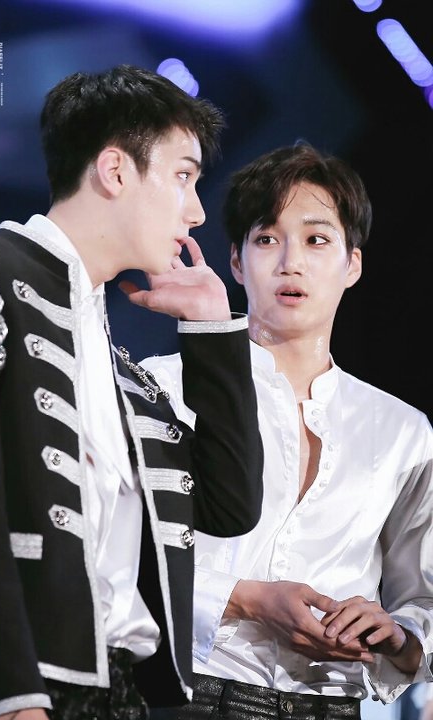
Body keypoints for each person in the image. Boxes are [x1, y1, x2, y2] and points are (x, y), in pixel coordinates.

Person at [0, 65, 264, 720]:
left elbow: (229, 507)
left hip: (120, 693)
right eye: (183, 176)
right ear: (116, 171)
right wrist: (9, 696)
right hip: (16, 687)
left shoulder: (126, 378)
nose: (197, 211)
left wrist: (213, 328)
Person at [141, 142, 433, 720]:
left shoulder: (401, 430)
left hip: (333, 705)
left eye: (317, 240)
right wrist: (245, 599)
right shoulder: (164, 388)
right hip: (188, 695)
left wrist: (396, 634)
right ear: (235, 261)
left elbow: (421, 601)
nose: (290, 262)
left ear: (352, 264)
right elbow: (117, 556)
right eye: (267, 239)